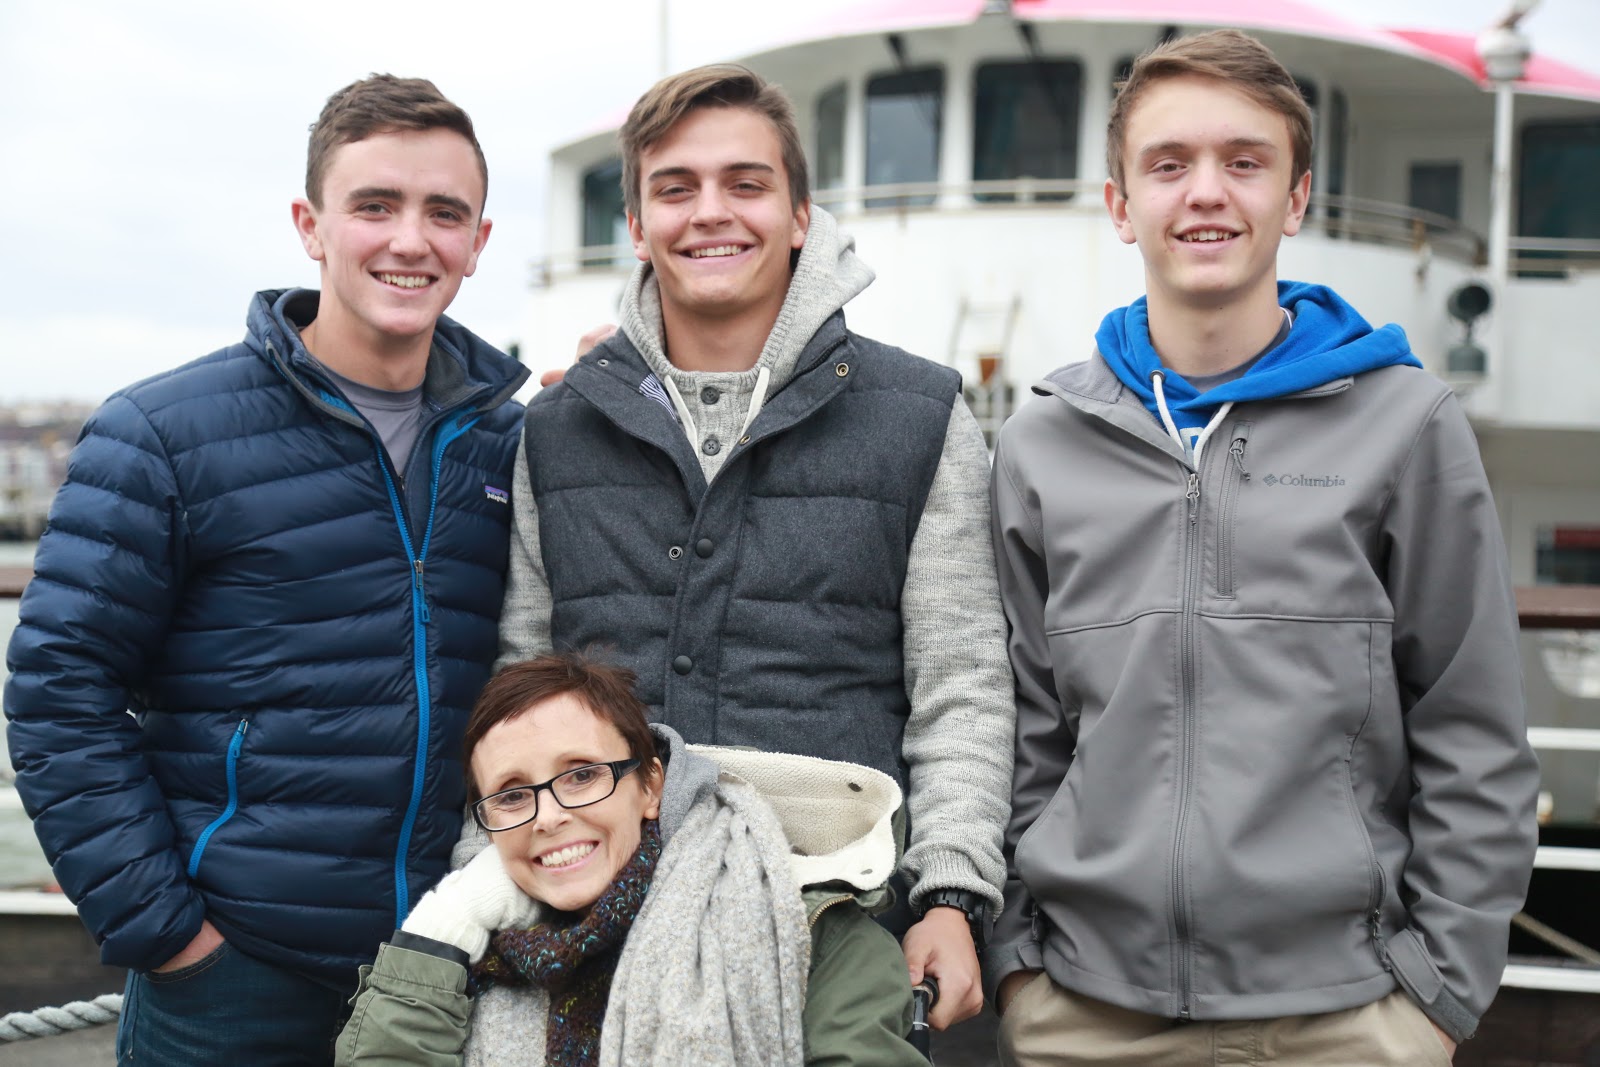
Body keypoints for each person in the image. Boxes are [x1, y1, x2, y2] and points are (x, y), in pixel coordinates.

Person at [984, 29, 1540, 1066]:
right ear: (1119, 205)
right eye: (1167, 164)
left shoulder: (1406, 425)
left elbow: (1474, 726)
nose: (1205, 192)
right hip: (1085, 1012)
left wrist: (1438, 993)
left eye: (1243, 162)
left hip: (1346, 1017)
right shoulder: (1039, 440)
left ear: (1294, 199)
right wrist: (1018, 962)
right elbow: (1021, 725)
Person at [4, 75, 528, 1064]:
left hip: (446, 961)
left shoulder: (508, 447)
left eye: (443, 212)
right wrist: (170, 935)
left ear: (478, 242)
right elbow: (57, 691)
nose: (410, 240)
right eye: (375, 205)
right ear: (311, 224)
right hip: (232, 976)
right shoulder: (161, 432)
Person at [496, 64, 1014, 1029]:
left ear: (801, 213)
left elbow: (964, 684)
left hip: (841, 930)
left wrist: (951, 893)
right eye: (676, 187)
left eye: (746, 183)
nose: (711, 213)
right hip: (600, 926)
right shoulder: (554, 430)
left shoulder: (923, 416)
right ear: (638, 220)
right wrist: (483, 888)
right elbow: (518, 685)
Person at [335, 652, 927, 1067]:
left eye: (581, 775)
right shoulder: (478, 956)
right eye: (512, 795)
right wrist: (450, 918)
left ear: (650, 785)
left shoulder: (810, 930)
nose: (547, 817)